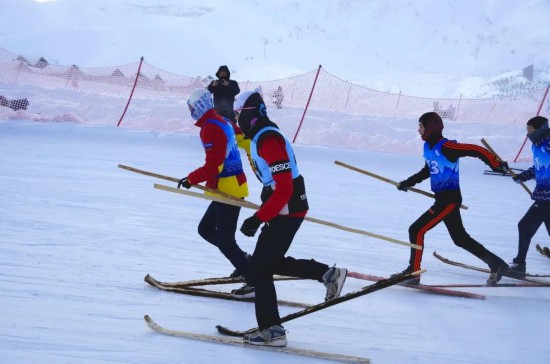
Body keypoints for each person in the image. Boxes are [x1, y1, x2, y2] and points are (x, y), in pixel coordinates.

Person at [232, 90, 347, 347]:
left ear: (249, 115)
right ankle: (328, 274)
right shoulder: (262, 135)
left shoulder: (268, 139)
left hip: (286, 208)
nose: (237, 119)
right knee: (267, 262)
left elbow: (284, 188)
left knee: (260, 267)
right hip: (284, 207)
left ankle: (272, 331)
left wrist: (258, 218)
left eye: (239, 114)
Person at [394, 112, 510, 286]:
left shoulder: (447, 146)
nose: (419, 130)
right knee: (460, 239)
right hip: (442, 199)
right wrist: (408, 183)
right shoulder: (428, 148)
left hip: (449, 200)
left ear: (431, 128)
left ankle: (414, 272)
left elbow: (476, 150)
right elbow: (428, 170)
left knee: (416, 230)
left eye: (421, 126)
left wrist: (495, 164)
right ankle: (497, 264)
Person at [178, 88, 252, 284]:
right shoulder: (222, 120)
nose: (191, 110)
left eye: (192, 107)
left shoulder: (211, 127)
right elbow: (244, 140)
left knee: (226, 242)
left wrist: (191, 179)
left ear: (200, 106)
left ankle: (253, 278)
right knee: (206, 229)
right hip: (230, 187)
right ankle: (243, 261)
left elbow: (214, 166)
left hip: (227, 191)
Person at [508, 116, 550, 276]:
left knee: (524, 226)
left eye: (530, 130)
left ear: (539, 129)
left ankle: (519, 265)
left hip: (547, 197)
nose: (528, 133)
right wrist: (523, 176)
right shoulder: (537, 145)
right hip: (543, 194)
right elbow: (539, 166)